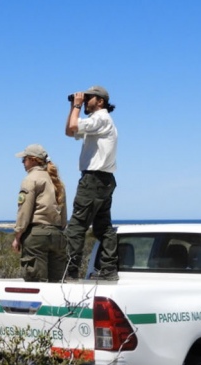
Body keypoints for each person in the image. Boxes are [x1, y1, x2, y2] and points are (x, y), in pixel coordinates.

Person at [64, 85, 119, 281]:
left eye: (90, 98)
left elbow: (72, 127)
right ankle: (109, 270)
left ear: (101, 101)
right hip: (103, 179)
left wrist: (77, 106)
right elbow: (69, 132)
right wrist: (73, 107)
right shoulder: (99, 121)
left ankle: (69, 271)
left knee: (77, 226)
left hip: (93, 179)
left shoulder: (101, 119)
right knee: (103, 226)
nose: (86, 101)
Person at [12, 144, 68, 282]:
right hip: (57, 235)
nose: (23, 163)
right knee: (57, 284)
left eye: (24, 160)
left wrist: (18, 236)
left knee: (36, 284)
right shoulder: (57, 181)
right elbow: (64, 215)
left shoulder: (30, 179)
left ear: (33, 160)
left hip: (36, 235)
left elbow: (24, 211)